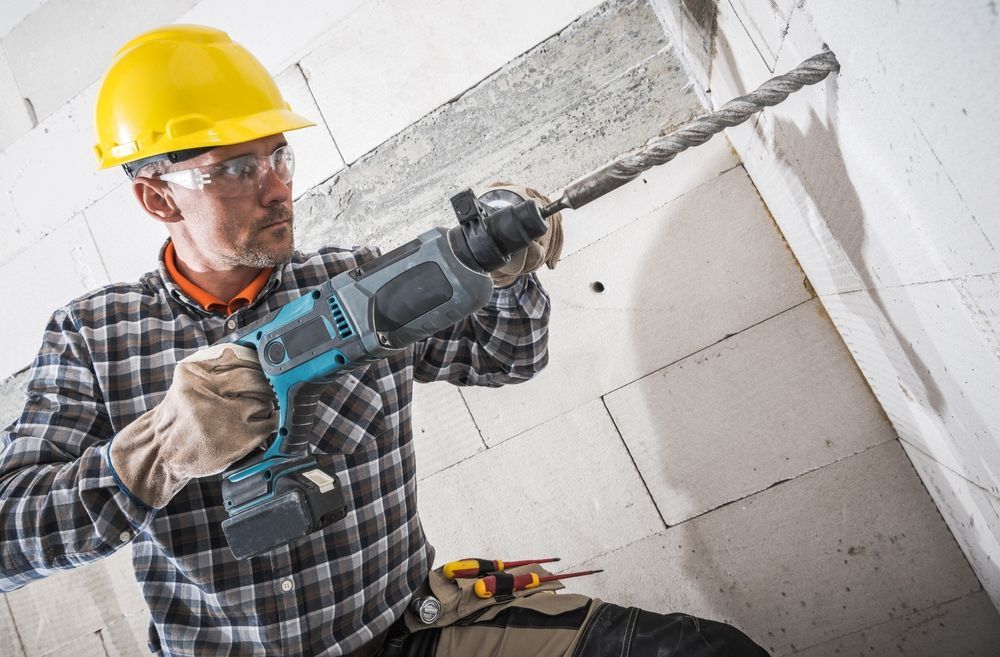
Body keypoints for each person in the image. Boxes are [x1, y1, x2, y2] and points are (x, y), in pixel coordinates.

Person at [0, 25, 769, 657]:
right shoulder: (93, 336)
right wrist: (155, 453)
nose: (276, 186)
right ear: (156, 195)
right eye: (236, 167)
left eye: (279, 155)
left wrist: (507, 276)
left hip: (412, 630)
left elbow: (510, 355)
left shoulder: (353, 283)